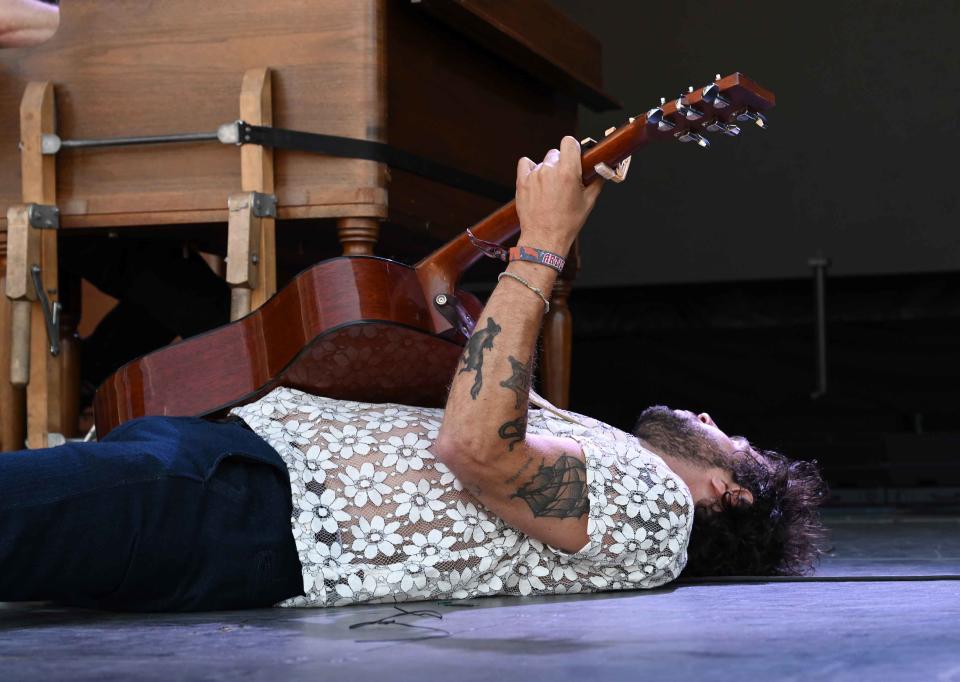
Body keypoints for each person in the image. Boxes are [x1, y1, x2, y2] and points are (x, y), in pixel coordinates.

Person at [0, 137, 827, 612]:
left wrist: (541, 250)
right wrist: (553, 224)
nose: (713, 418)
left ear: (732, 491)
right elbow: (480, 380)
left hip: (242, 506)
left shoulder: (656, 512)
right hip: (233, 472)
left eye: (734, 437)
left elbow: (477, 446)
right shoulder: (607, 464)